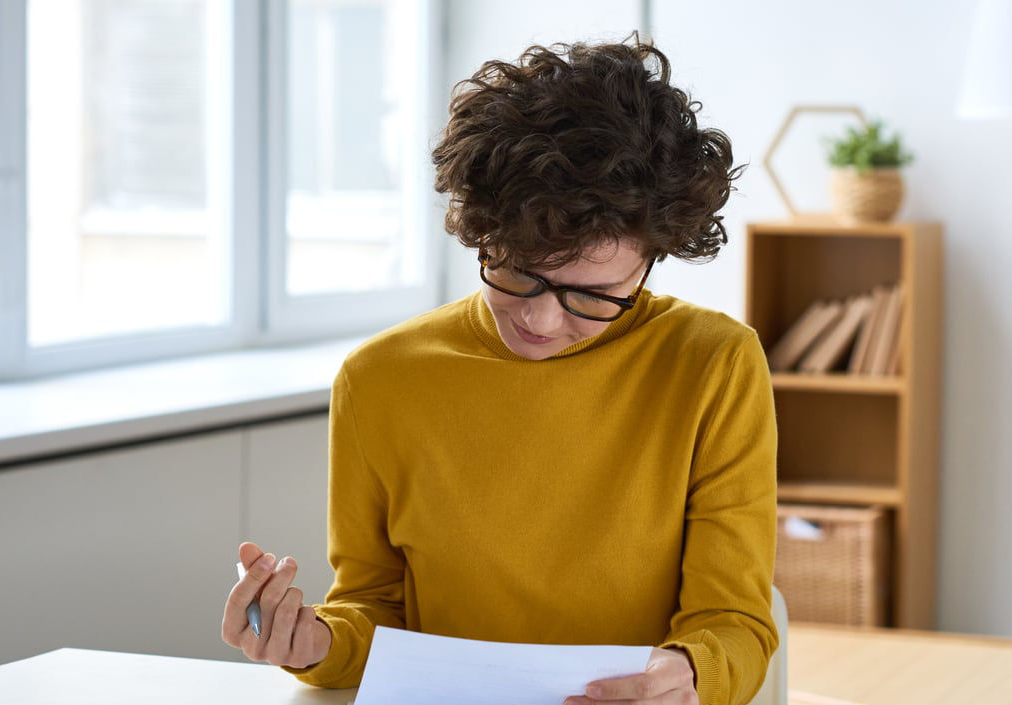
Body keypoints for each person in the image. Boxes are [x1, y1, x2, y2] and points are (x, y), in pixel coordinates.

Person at [222, 36, 778, 705]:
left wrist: (690, 673)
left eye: (591, 296)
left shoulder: (713, 364)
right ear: (478, 228)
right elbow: (372, 614)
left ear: (653, 257)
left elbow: (735, 622)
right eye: (516, 271)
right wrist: (311, 643)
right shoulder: (380, 379)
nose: (540, 321)